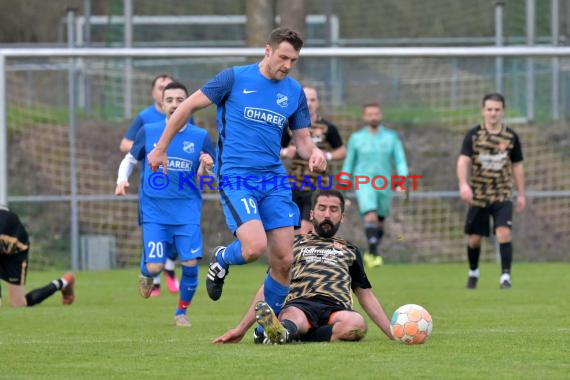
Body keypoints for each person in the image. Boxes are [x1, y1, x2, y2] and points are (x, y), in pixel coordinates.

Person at [147, 27, 327, 322]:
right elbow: (189, 105)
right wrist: (161, 148)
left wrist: (315, 154)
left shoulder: (294, 92)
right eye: (283, 57)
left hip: (273, 180)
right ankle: (221, 259)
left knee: (284, 259)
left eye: (293, 60)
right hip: (236, 176)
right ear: (267, 50)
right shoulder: (233, 78)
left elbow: (303, 141)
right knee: (254, 247)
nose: (287, 65)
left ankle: (267, 326)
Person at [212, 189, 394, 344]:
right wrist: (241, 329)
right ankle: (285, 330)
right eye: (322, 208)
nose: (327, 215)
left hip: (336, 308)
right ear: (312, 214)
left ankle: (286, 335)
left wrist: (393, 333)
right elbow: (270, 285)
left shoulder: (350, 250)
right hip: (300, 304)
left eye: (333, 209)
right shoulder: (293, 243)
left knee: (357, 324)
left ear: (342, 216)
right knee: (291, 317)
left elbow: (366, 295)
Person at [115, 81, 215, 326]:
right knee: (156, 266)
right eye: (169, 100)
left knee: (191, 264)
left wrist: (207, 166)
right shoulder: (149, 131)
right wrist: (121, 180)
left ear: (189, 104)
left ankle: (181, 313)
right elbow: (130, 159)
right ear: (162, 104)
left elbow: (211, 177)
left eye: (180, 100)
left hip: (187, 210)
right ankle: (146, 269)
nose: (174, 104)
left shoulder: (200, 137)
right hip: (155, 210)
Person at [457, 93, 525, 290]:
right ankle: (473, 272)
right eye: (489, 109)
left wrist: (521, 194)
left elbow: (517, 166)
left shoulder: (511, 136)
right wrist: (463, 184)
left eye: (497, 109)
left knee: (503, 232)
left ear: (502, 111)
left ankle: (505, 277)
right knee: (474, 239)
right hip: (478, 196)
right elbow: (463, 160)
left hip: (503, 194)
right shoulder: (473, 135)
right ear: (483, 111)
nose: (493, 113)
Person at [119, 73, 179, 296]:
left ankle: (170, 271)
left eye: (169, 87)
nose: (166, 91)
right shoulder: (145, 118)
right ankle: (153, 279)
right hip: (152, 187)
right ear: (155, 93)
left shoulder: (184, 114)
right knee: (154, 233)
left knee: (176, 232)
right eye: (161, 87)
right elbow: (125, 144)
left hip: (179, 186)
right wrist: (150, 148)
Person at [341, 103, 409, 268]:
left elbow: (400, 161)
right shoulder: (356, 138)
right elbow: (349, 162)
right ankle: (375, 253)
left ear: (381, 115)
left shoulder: (391, 137)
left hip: (384, 183)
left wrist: (401, 181)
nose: (373, 117)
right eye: (370, 114)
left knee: (380, 220)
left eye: (376, 114)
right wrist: (344, 184)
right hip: (363, 182)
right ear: (364, 117)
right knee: (370, 214)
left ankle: (371, 252)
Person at [280, 85, 346, 234]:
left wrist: (326, 155)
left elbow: (342, 151)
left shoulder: (327, 127)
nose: (309, 103)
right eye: (305, 99)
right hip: (293, 185)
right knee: (291, 233)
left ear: (318, 103)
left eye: (313, 99)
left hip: (315, 186)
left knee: (305, 230)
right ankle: (295, 257)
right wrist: (285, 152)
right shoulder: (289, 126)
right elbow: (274, 150)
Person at [0, 205, 75, 308]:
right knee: (19, 304)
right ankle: (63, 282)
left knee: (18, 304)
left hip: (17, 246)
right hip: (4, 236)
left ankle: (66, 280)